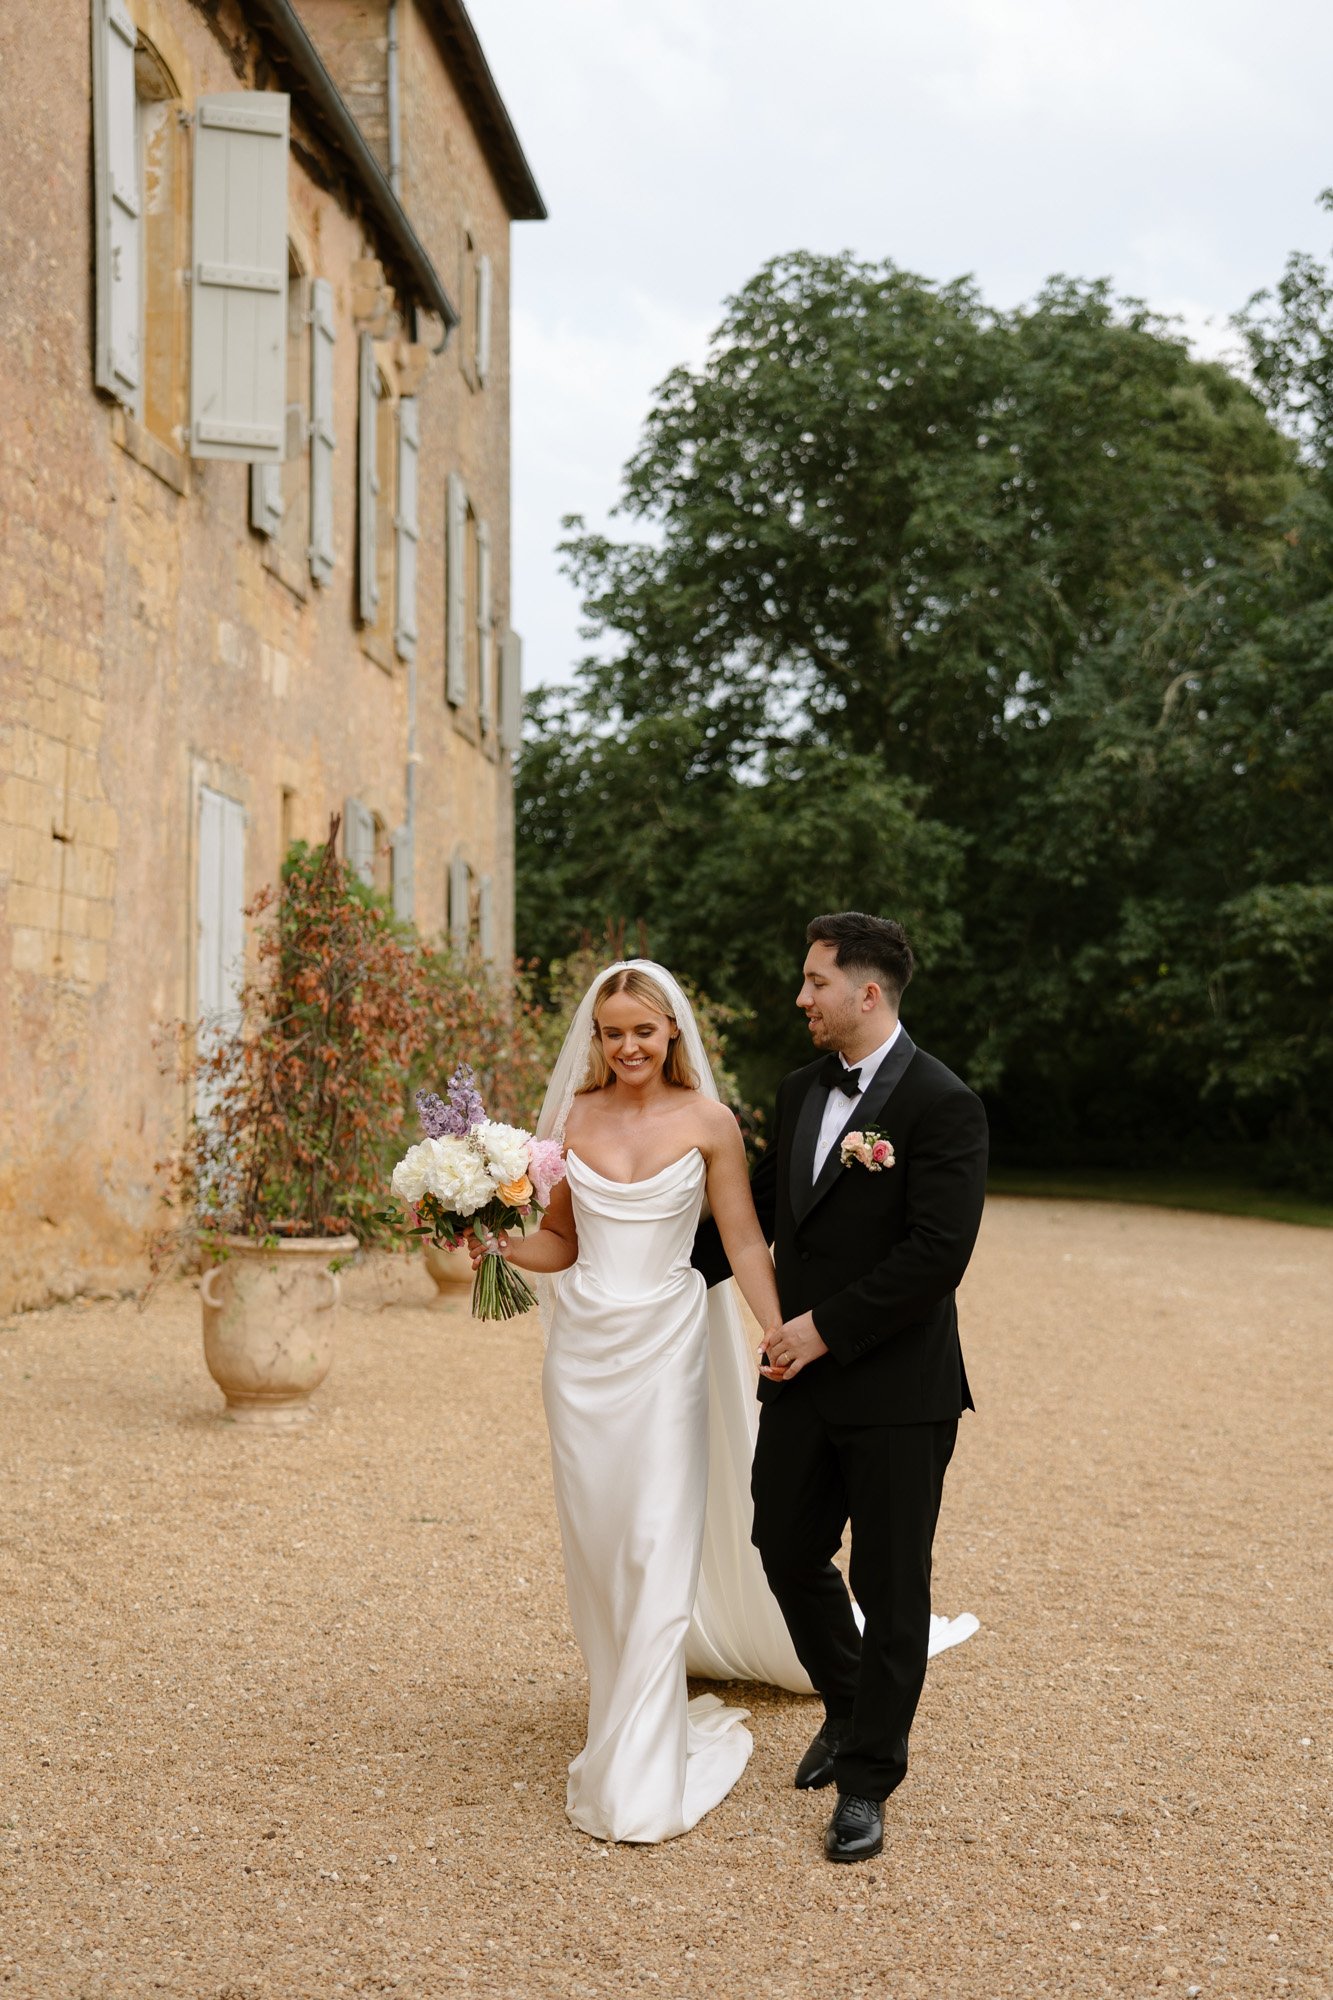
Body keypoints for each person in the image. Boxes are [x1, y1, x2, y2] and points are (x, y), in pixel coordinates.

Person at [469, 961, 805, 1843]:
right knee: (602, 1542)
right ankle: (615, 1702)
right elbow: (560, 1242)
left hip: (666, 1350)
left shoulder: (709, 1123)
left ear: (672, 1036)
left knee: (657, 1540)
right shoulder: (570, 1123)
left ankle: (641, 1763)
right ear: (597, 1037)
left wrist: (776, 1331)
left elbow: (741, 1237)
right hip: (583, 1361)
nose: (627, 1046)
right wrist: (497, 1247)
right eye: (612, 1031)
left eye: (643, 1031)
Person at [693, 912, 988, 1864]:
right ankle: (849, 1698)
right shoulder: (797, 1088)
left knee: (892, 1587)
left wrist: (820, 1328)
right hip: (803, 1382)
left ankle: (867, 1780)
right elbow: (759, 1213)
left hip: (899, 1388)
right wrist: (624, 1272)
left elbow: (937, 1254)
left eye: (815, 982)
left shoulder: (945, 1104)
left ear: (868, 992)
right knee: (780, 1541)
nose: (801, 998)